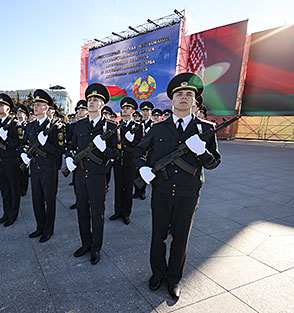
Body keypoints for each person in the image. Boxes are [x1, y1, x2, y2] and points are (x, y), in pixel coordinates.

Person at [134, 72, 221, 300]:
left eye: (188, 94)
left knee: (181, 238)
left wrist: (202, 152)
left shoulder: (206, 129)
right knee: (158, 236)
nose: (184, 97)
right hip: (161, 192)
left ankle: (174, 278)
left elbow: (214, 163)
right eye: (179, 94)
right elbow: (138, 152)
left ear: (195, 101)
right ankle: (157, 274)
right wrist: (143, 168)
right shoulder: (158, 128)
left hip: (188, 193)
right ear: (172, 100)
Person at [65, 83, 120, 265]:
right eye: (89, 99)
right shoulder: (79, 125)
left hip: (98, 177)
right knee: (81, 210)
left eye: (95, 100)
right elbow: (71, 146)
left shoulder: (111, 126)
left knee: (97, 213)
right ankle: (85, 243)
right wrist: (68, 158)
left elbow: (117, 153)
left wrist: (105, 149)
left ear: (102, 104)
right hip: (80, 176)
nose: (91, 102)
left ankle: (96, 247)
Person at [20, 89, 64, 243]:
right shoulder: (30, 126)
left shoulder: (54, 127)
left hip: (49, 168)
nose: (35, 107)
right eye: (35, 104)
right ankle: (40, 227)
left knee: (49, 200)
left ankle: (48, 230)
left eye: (39, 105)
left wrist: (46, 145)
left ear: (46, 108)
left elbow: (59, 151)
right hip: (35, 167)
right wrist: (23, 154)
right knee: (36, 199)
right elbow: (23, 144)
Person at [0, 93, 23, 227]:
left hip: (11, 161)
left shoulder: (14, 124)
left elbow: (19, 144)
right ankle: (6, 213)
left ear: (8, 109)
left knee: (13, 188)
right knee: (4, 189)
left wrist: (7, 139)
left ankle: (13, 214)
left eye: (2, 105)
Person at [110, 97, 143, 225]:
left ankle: (126, 213)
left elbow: (141, 146)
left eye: (128, 108)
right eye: (123, 108)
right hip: (118, 161)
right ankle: (117, 211)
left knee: (128, 188)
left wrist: (132, 141)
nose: (125, 110)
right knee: (118, 187)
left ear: (133, 111)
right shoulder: (116, 126)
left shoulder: (138, 127)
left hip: (130, 162)